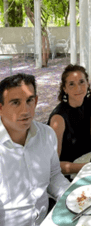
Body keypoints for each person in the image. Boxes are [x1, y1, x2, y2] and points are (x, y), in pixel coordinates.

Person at [0, 73, 70, 225]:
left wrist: (72, 197)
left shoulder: (46, 134)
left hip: (47, 219)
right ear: (0, 108)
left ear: (36, 101)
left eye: (29, 100)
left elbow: (53, 176)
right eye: (15, 102)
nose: (25, 110)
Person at [48, 65, 91, 177]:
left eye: (81, 82)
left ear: (88, 83)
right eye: (71, 84)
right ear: (65, 89)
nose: (78, 88)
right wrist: (88, 167)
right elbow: (53, 165)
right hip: (70, 172)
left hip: (90, 162)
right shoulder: (58, 118)